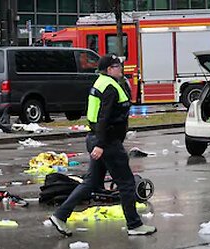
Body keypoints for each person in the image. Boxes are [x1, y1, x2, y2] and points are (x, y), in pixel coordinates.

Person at [49, 53, 157, 237]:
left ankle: (60, 215)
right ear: (109, 69)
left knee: (92, 182)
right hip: (107, 142)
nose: (121, 69)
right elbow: (103, 118)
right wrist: (101, 144)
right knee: (126, 183)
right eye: (117, 66)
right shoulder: (109, 87)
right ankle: (134, 225)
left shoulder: (102, 83)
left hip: (98, 139)